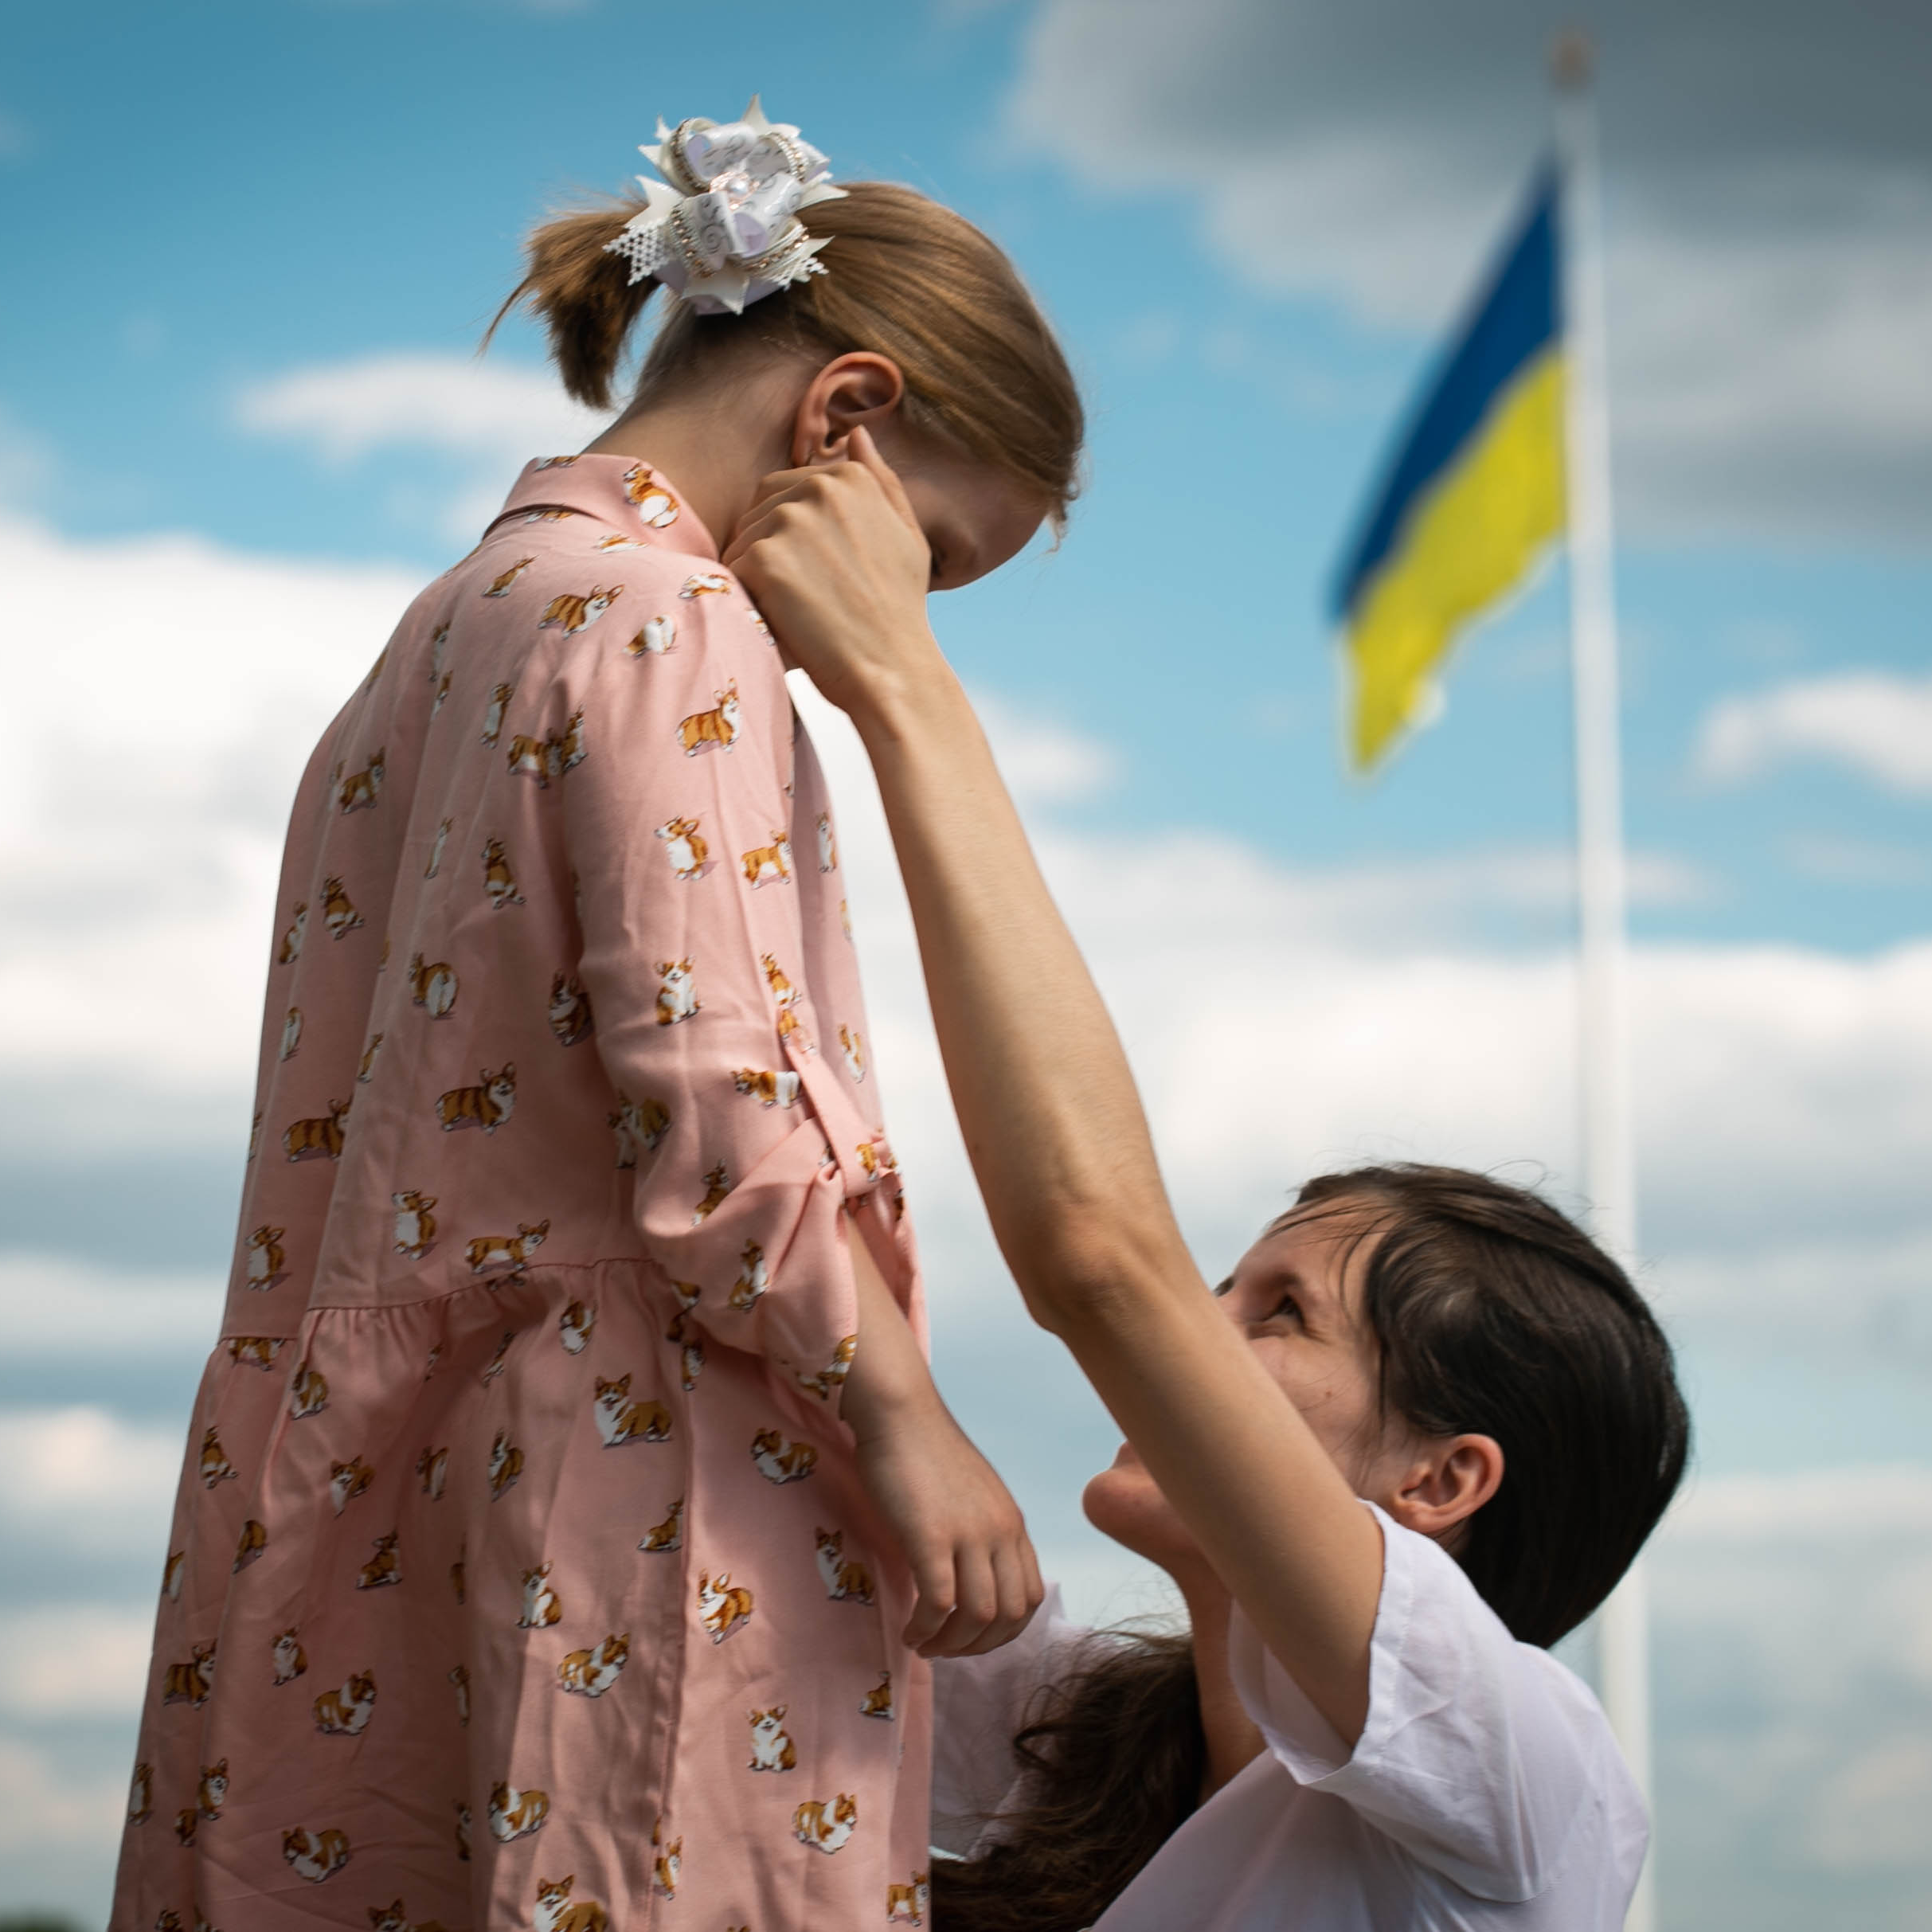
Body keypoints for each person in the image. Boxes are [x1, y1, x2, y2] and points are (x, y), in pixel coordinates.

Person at [111, 103, 1073, 1932]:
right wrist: (903, 1416)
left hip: (377, 1494)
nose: (909, 611)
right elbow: (719, 1102)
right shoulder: (672, 621)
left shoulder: (439, 633)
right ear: (847, 415)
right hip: (646, 1495)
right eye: (938, 560)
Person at [729, 436, 1694, 1931]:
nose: (1195, 1325)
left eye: (1280, 1311)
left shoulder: (1527, 1783)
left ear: (1440, 1482)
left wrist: (903, 682)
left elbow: (1101, 1257)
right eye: (1229, 1289)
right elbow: (776, 1338)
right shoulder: (1072, 1737)